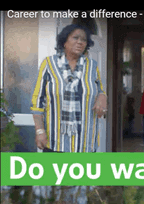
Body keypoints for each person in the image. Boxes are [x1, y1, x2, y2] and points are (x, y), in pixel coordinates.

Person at [31, 24, 107, 152]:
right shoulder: (49, 64)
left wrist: (102, 96)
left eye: (83, 40)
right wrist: (39, 130)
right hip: (55, 141)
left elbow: (100, 89)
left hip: (85, 142)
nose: (80, 42)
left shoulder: (92, 66)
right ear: (64, 42)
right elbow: (37, 101)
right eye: (75, 38)